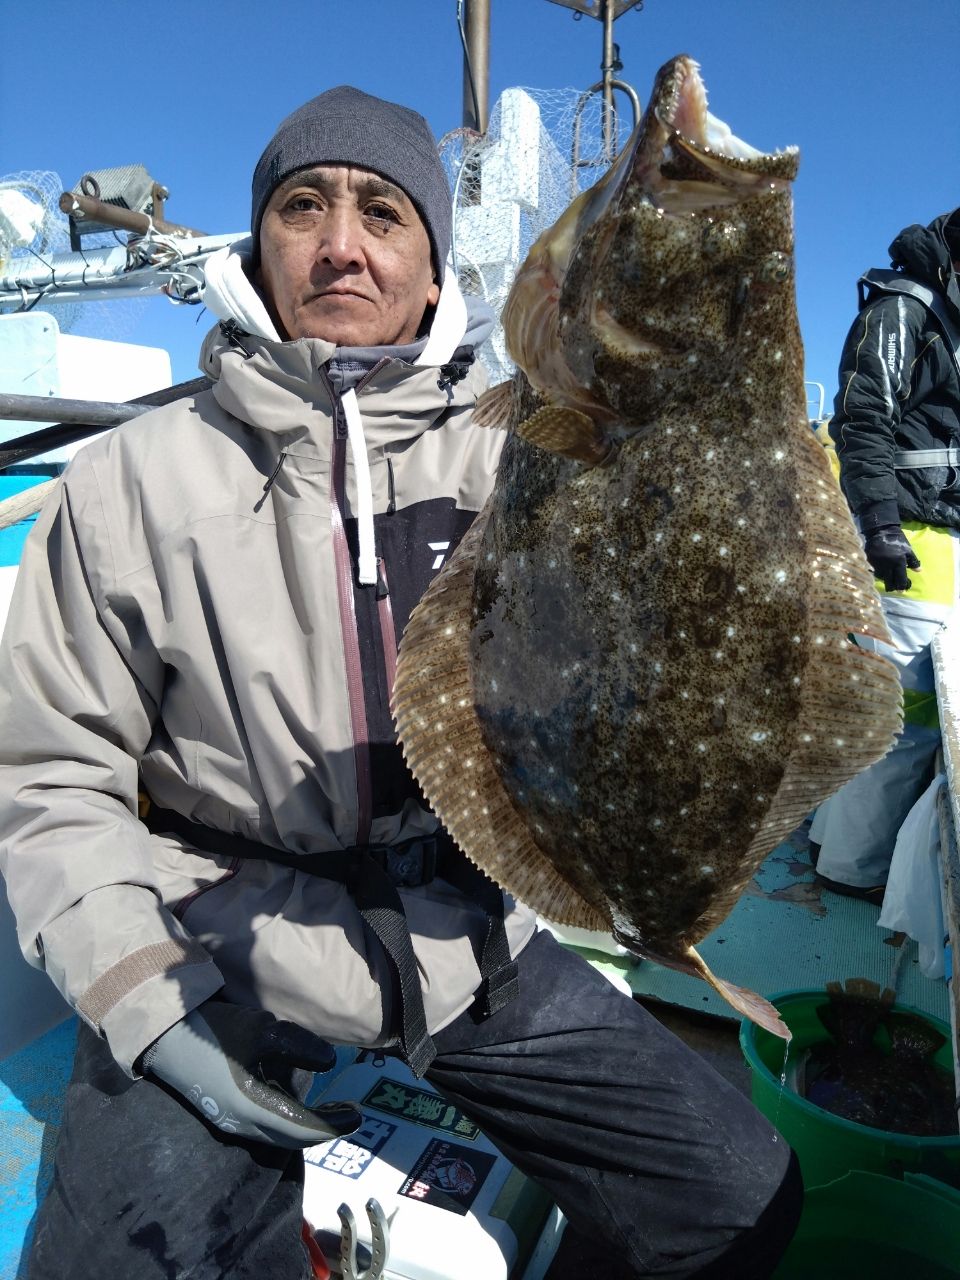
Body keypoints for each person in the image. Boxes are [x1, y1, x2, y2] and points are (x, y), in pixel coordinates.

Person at [0, 86, 802, 1279]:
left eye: (383, 211)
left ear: (434, 271)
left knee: (740, 1196)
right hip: (221, 943)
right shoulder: (128, 479)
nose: (339, 242)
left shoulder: (524, 445)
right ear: (259, 245)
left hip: (465, 935)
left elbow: (690, 530)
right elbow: (53, 773)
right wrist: (146, 1001)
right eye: (302, 207)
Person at [811, 208, 960, 903]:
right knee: (900, 726)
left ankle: (829, 842)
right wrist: (879, 526)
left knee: (884, 718)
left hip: (941, 549)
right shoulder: (906, 308)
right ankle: (850, 869)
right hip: (911, 547)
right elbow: (863, 415)